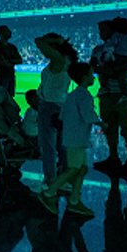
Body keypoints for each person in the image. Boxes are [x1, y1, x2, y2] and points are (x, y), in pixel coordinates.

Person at [37, 62, 104, 218]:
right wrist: (103, 124)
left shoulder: (71, 95)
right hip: (77, 140)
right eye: (91, 74)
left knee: (82, 168)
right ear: (84, 78)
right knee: (74, 169)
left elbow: (61, 117)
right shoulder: (84, 96)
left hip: (73, 139)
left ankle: (74, 200)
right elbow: (88, 116)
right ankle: (50, 192)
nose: (93, 77)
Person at [91, 18, 127, 172]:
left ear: (113, 31)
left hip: (126, 94)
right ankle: (114, 158)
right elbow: (91, 67)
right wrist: (105, 70)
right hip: (107, 94)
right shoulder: (98, 49)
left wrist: (113, 69)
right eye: (100, 31)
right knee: (109, 128)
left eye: (104, 30)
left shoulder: (123, 47)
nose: (101, 33)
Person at [34, 32, 78, 186]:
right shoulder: (67, 61)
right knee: (62, 146)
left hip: (49, 106)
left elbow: (38, 41)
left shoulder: (58, 59)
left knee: (48, 146)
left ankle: (50, 181)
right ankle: (65, 179)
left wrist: (56, 40)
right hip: (62, 105)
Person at [0, 25, 22, 99]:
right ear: (1, 33)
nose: (10, 32)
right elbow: (0, 61)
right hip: (1, 76)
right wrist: (12, 62)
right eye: (7, 31)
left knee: (10, 98)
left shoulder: (12, 47)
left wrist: (8, 61)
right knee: (1, 97)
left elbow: (20, 60)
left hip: (11, 75)